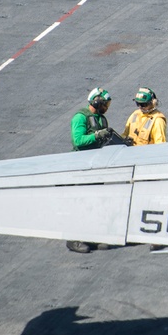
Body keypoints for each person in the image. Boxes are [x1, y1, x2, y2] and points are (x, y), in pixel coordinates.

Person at [67, 87, 115, 253]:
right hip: (81, 166)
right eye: (104, 104)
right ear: (96, 102)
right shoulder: (80, 117)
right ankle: (74, 239)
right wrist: (96, 135)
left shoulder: (101, 120)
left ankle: (93, 236)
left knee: (96, 201)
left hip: (96, 164)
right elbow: (78, 141)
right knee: (81, 202)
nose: (106, 107)